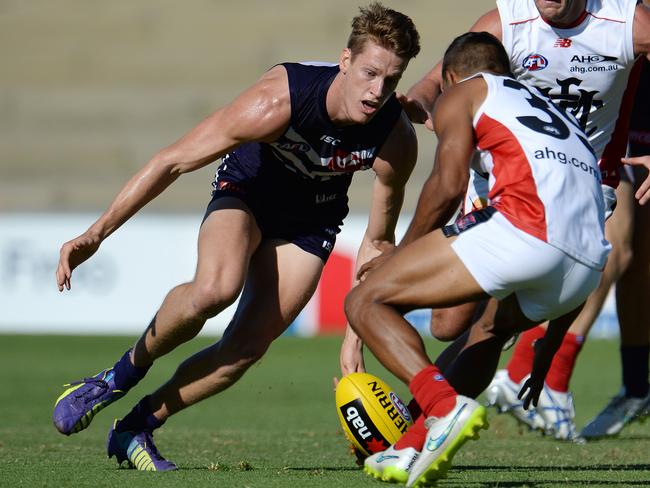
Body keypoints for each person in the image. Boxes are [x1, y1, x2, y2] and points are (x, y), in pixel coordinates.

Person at [51, 2, 420, 471]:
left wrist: (354, 342)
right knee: (215, 289)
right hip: (248, 192)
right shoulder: (279, 99)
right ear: (344, 61)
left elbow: (378, 242)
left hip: (313, 221)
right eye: (369, 73)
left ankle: (137, 425)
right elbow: (173, 160)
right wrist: (95, 234)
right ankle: (119, 375)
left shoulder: (395, 138)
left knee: (247, 348)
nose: (377, 91)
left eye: (391, 80)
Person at [345, 31, 610, 486]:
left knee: (365, 301)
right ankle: (411, 445)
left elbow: (446, 186)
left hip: (528, 232)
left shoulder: (465, 92)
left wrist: (398, 255)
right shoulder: (559, 116)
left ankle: (443, 406)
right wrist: (548, 344)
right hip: (584, 273)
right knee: (487, 331)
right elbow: (587, 233)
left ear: (450, 77)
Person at [395, 0, 650, 441]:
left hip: (581, 189)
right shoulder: (505, 23)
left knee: (494, 325)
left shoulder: (630, 23)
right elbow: (435, 82)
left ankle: (420, 424)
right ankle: (441, 404)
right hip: (499, 180)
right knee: (447, 325)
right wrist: (413, 104)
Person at [581, 58, 650, 438]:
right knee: (621, 251)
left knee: (635, 258)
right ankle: (549, 371)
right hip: (617, 127)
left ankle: (637, 388)